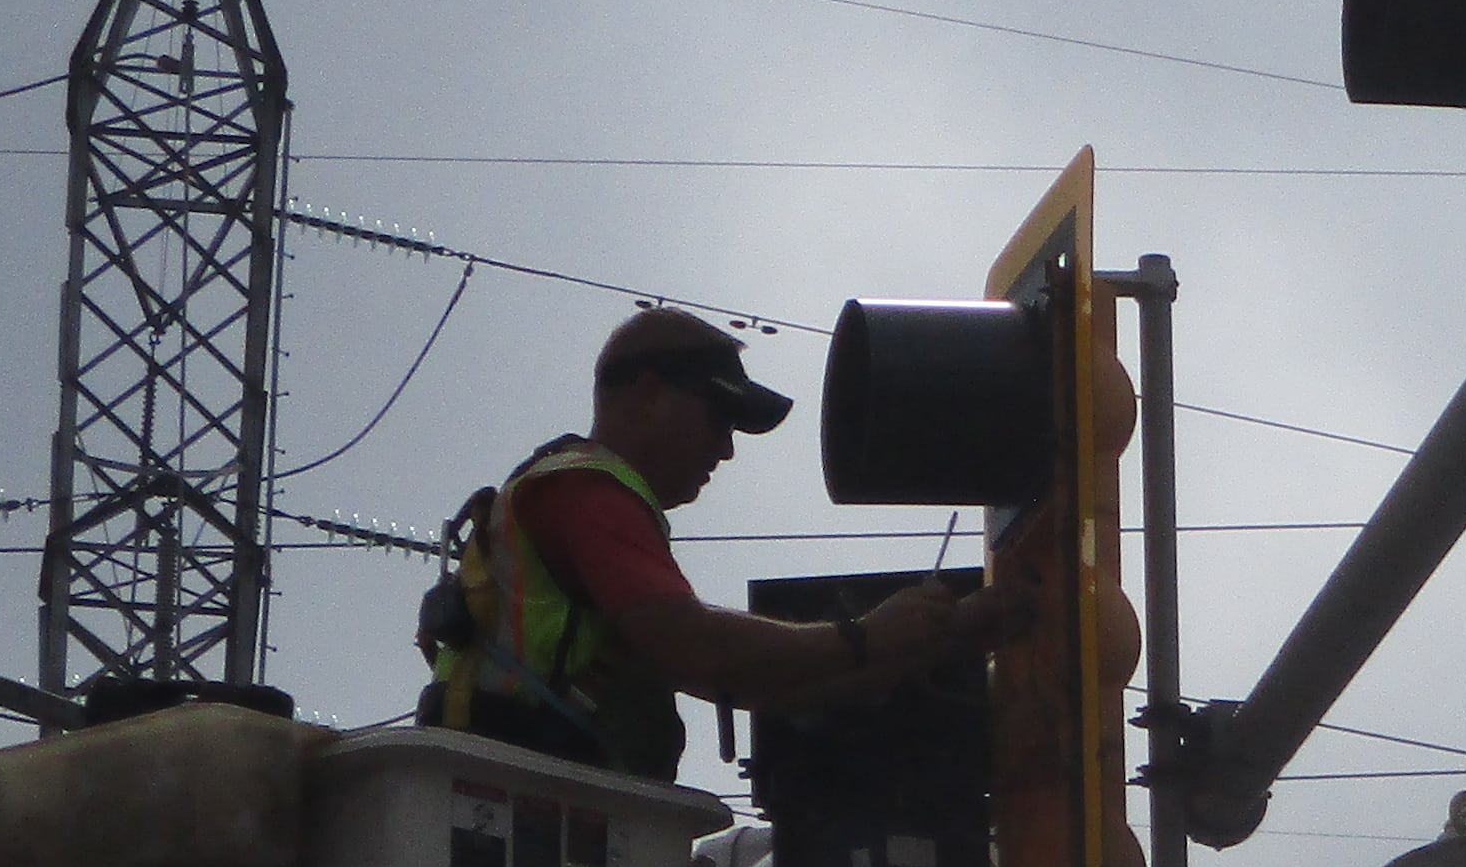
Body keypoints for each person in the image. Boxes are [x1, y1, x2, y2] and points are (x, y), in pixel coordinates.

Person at [421, 303, 1033, 779]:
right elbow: (693, 644)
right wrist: (864, 636)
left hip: (530, 794)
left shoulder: (583, 499)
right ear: (648, 396)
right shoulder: (585, 491)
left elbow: (762, 685)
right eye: (720, 418)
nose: (727, 449)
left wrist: (937, 641)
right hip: (523, 793)